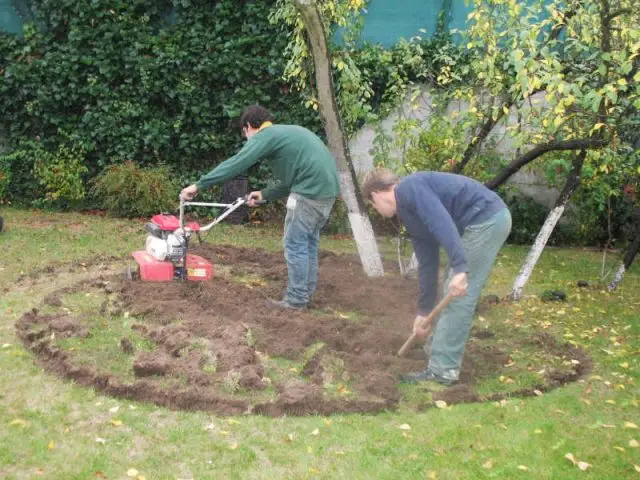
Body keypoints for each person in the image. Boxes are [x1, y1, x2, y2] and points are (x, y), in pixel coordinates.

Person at [361, 168, 511, 385]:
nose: (377, 210)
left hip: (485, 219)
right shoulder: (409, 210)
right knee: (449, 289)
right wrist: (424, 311)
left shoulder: (410, 188)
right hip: (478, 222)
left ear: (375, 194)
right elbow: (428, 261)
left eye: (373, 205)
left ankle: (443, 370)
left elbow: (443, 223)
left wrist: (460, 268)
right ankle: (436, 350)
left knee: (458, 296)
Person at [181, 105, 340, 309]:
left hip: (309, 193)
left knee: (294, 243)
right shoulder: (286, 133)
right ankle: (304, 294)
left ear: (248, 127)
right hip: (326, 192)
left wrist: (199, 184)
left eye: (245, 134)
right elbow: (294, 179)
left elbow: (237, 163)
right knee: (307, 244)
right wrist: (265, 194)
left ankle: (296, 299)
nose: (248, 140)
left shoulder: (265, 135)